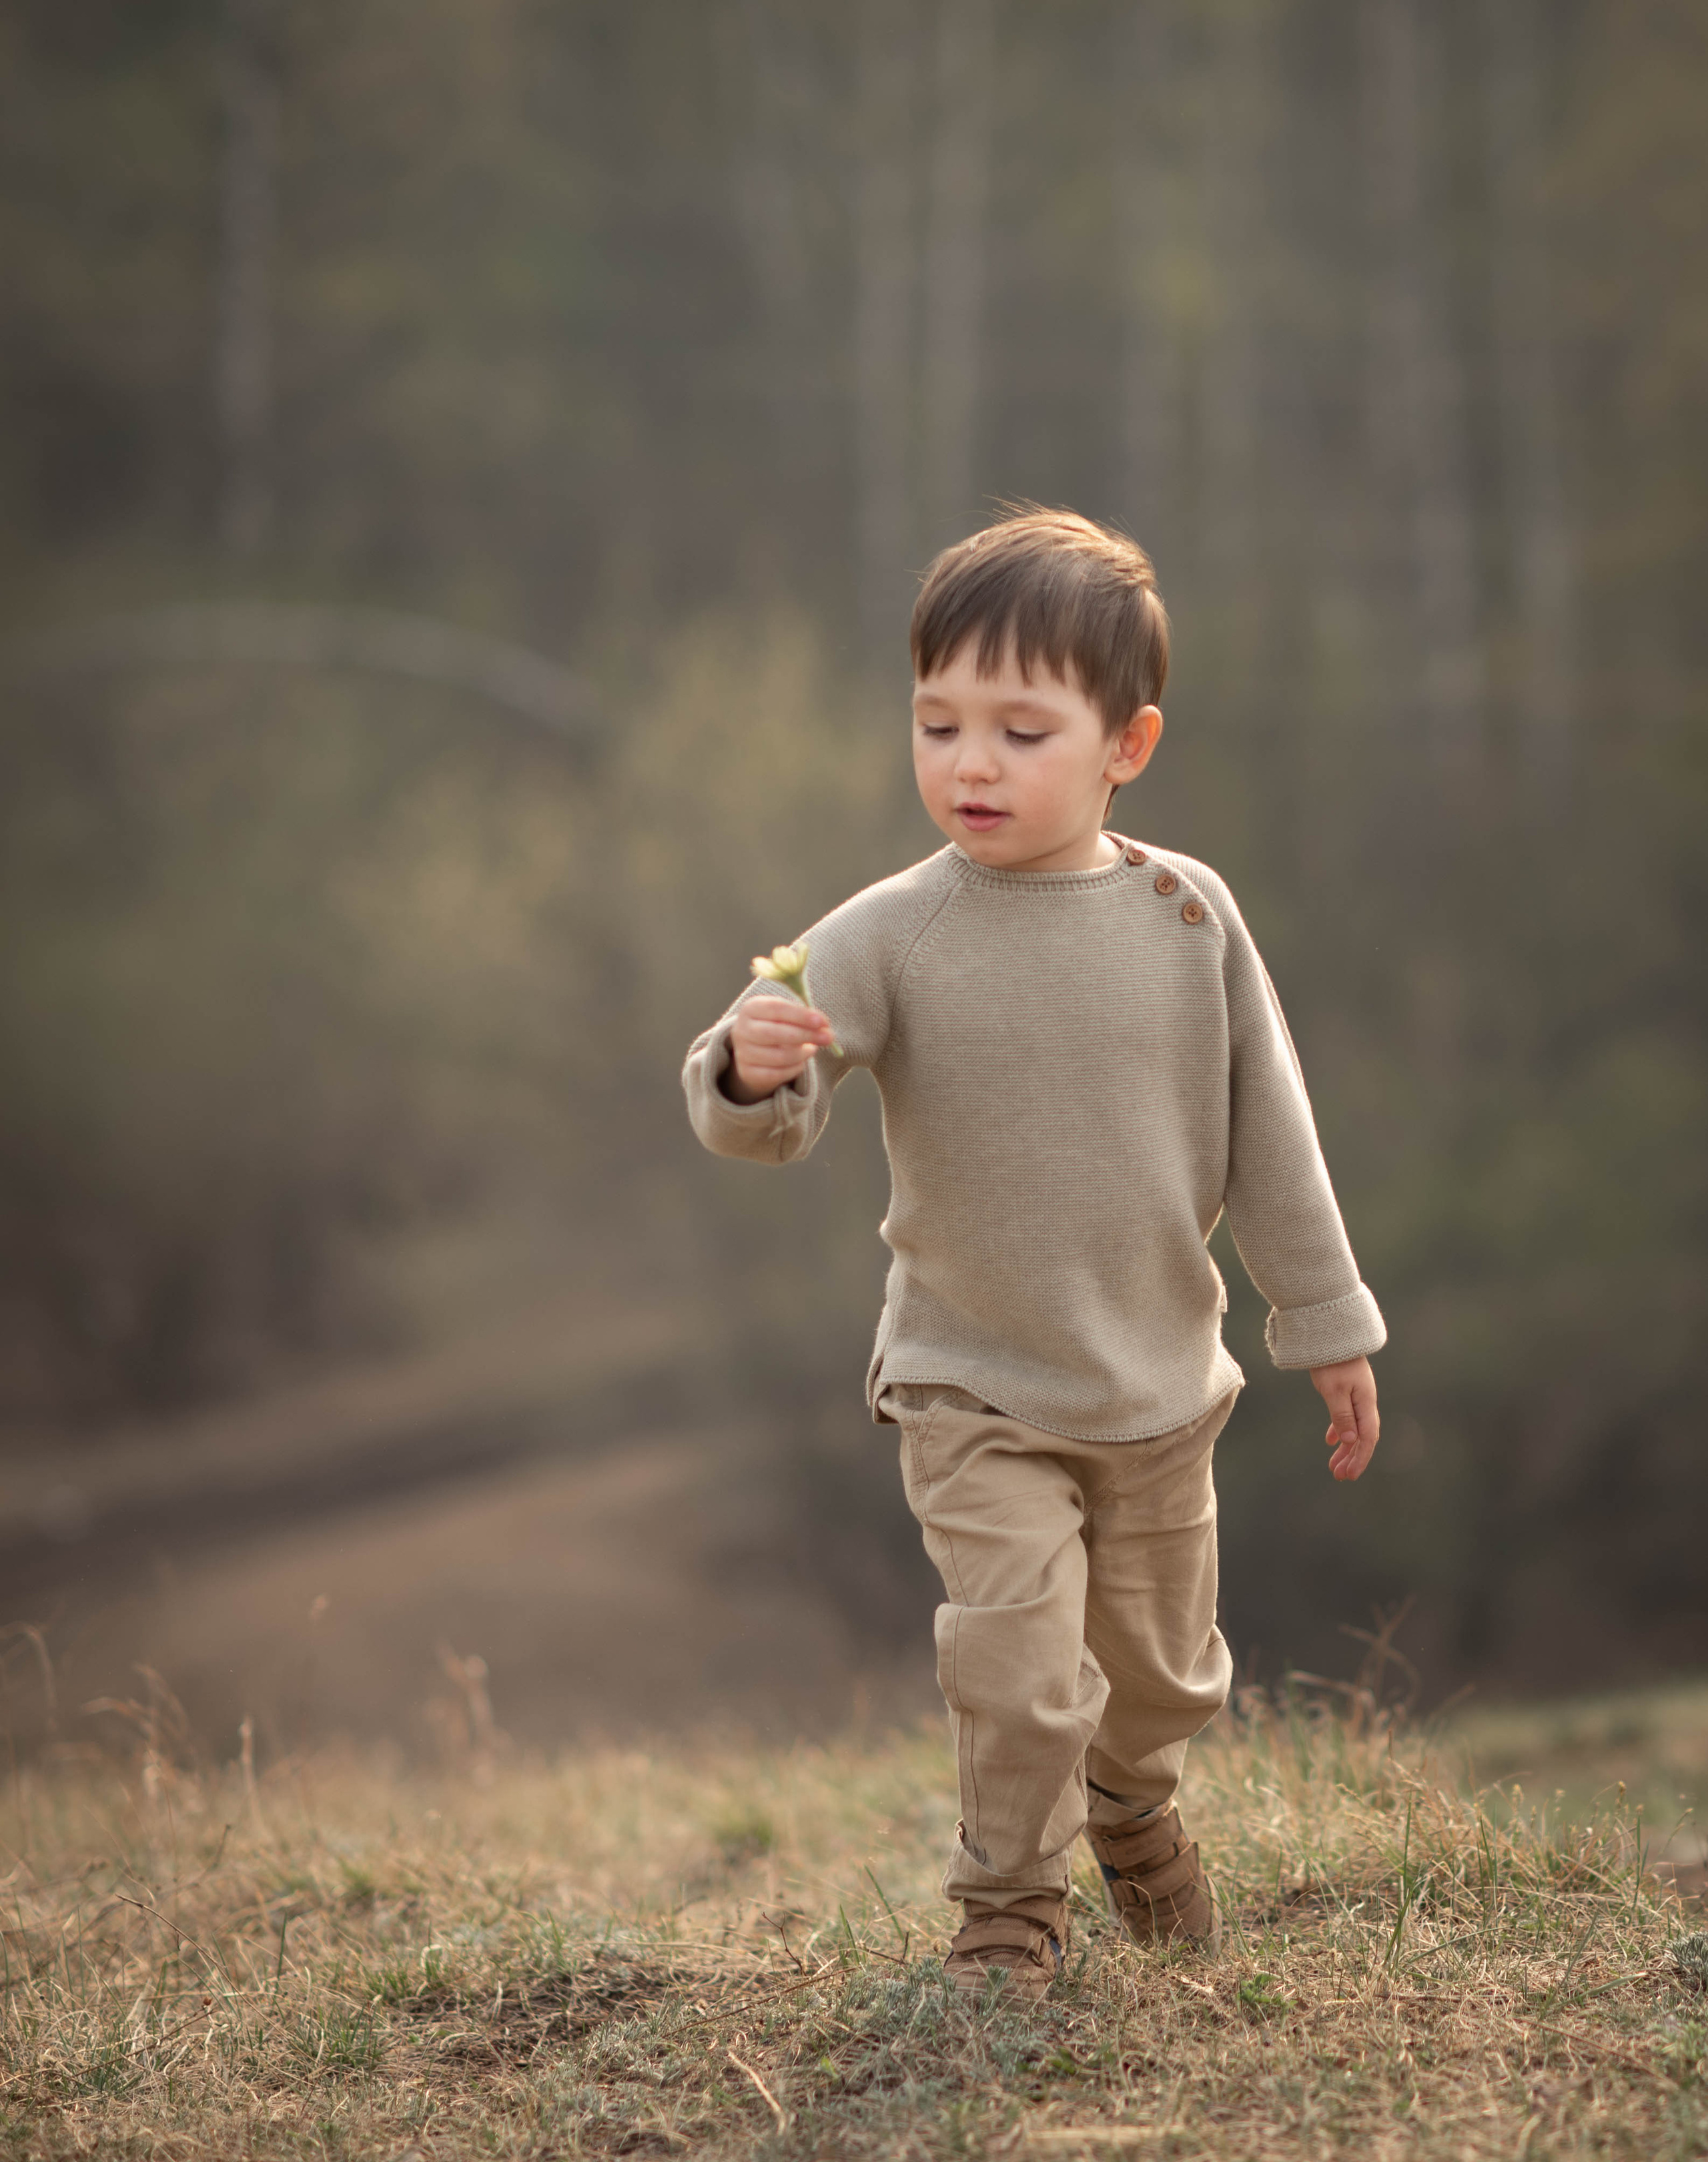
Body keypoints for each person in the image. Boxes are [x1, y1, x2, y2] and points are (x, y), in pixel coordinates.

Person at [682, 508, 1384, 2001]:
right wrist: (747, 1068)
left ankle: (1132, 1814)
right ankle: (1006, 1910)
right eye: (936, 724)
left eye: (1017, 728)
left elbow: (1271, 1128)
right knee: (1015, 1664)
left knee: (1159, 1683)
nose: (968, 763)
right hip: (970, 1381)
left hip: (1153, 1389)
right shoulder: (893, 930)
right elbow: (775, 1106)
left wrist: (1320, 1315)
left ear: (1125, 744)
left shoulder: (1188, 915)